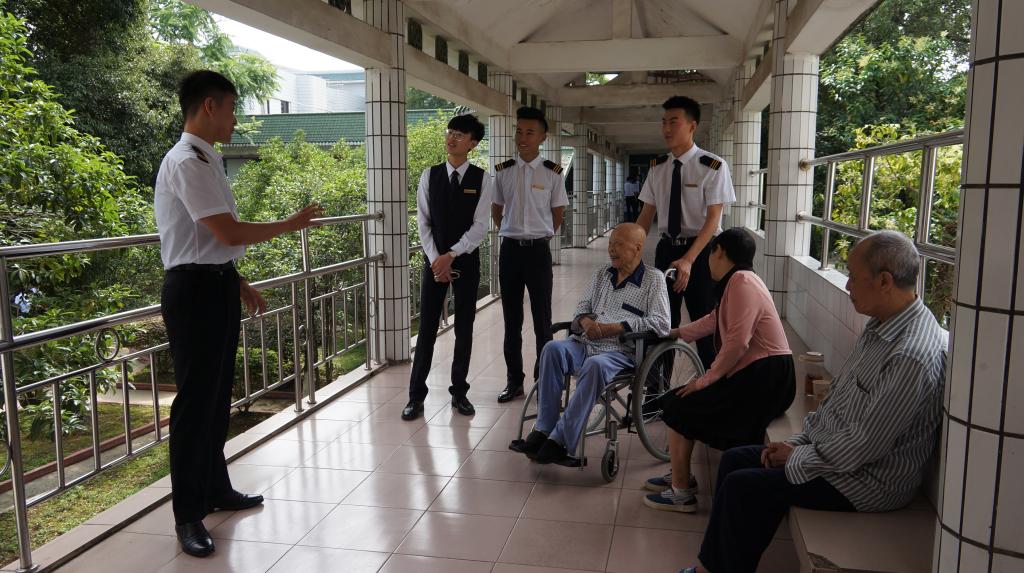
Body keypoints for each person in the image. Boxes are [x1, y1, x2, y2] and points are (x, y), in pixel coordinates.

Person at [678, 231, 947, 573]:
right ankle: (720, 564)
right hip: (836, 455)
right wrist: (798, 443)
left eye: (853, 276)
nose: (847, 285)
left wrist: (797, 456)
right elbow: (840, 400)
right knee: (735, 460)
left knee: (742, 487)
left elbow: (865, 445)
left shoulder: (911, 355)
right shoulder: (882, 324)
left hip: (865, 480)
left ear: (884, 281)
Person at [156, 70, 322, 557]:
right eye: (231, 108)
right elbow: (227, 232)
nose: (235, 119)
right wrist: (290, 224)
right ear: (209, 106)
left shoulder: (207, 159)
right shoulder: (185, 161)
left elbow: (209, 241)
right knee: (194, 404)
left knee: (216, 398)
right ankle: (188, 514)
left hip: (216, 284)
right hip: (193, 293)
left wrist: (236, 279)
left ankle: (215, 488)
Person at [641, 228, 795, 513]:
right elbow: (713, 320)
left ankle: (681, 491)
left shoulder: (742, 282)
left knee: (678, 404)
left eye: (709, 252)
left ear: (719, 251)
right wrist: (675, 333)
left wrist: (705, 380)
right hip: (762, 374)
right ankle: (680, 475)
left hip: (766, 378)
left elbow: (737, 342)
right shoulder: (739, 280)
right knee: (677, 402)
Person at [511, 223, 670, 463]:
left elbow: (661, 323)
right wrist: (586, 322)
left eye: (618, 244)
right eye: (610, 244)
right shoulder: (601, 274)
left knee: (595, 365)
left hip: (620, 351)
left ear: (637, 248)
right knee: (552, 349)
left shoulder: (653, 280)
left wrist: (616, 327)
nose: (611, 249)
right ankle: (544, 429)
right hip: (585, 343)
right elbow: (581, 309)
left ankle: (560, 440)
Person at [402, 114, 493, 421]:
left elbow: (480, 226)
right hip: (434, 263)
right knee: (426, 328)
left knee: (464, 328)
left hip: (465, 260)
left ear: (473, 143)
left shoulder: (483, 179)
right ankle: (415, 397)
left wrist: (451, 255)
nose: (451, 138)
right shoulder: (430, 175)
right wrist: (435, 259)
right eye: (450, 132)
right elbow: (423, 222)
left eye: (459, 134)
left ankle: (459, 393)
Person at [636, 96, 736, 370]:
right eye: (664, 122)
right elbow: (646, 215)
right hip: (667, 249)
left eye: (674, 122)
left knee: (704, 322)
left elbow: (713, 219)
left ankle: (712, 383)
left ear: (692, 125)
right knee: (662, 322)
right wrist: (631, 249)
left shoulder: (712, 166)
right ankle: (659, 387)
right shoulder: (658, 168)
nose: (667, 128)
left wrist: (689, 260)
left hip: (702, 252)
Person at [491, 106, 569, 404]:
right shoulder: (504, 171)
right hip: (510, 250)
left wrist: (539, 235)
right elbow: (497, 209)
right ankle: (514, 382)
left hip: (538, 252)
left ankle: (543, 380)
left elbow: (557, 214)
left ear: (542, 137)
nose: (522, 137)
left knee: (542, 319)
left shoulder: (552, 173)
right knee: (511, 320)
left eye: (530, 132)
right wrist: (511, 230)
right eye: (519, 131)